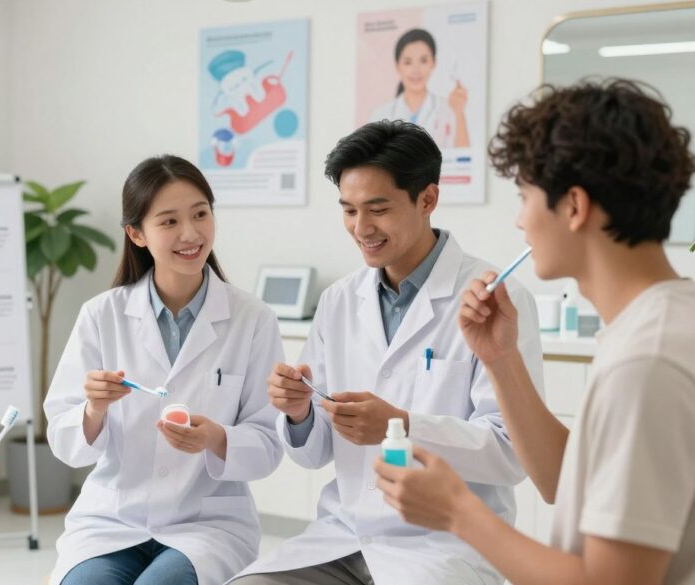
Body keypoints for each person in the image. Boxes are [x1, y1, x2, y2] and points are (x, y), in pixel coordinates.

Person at [375, 79, 695, 585]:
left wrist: (459, 511)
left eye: (525, 195)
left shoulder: (646, 362)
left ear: (573, 206)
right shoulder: (664, 319)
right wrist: (501, 360)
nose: (520, 220)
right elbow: (563, 484)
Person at [231, 120, 543, 584]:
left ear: (427, 199)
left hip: (446, 546)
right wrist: (298, 413)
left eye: (377, 209)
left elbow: (510, 452)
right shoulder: (339, 301)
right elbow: (314, 454)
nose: (361, 228)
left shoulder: (496, 298)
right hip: (345, 535)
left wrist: (402, 426)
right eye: (349, 210)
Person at [44, 155, 284, 585]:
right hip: (111, 521)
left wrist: (215, 437)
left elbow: (269, 441)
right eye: (169, 221)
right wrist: (93, 410)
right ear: (136, 233)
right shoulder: (102, 315)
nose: (191, 234)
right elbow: (64, 440)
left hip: (208, 526)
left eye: (200, 214)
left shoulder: (252, 319)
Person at [369, 28, 470, 149]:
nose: (416, 70)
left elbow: (464, 157)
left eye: (423, 60)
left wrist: (459, 113)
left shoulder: (449, 110)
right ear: (397, 66)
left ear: (433, 63)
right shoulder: (380, 115)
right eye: (407, 62)